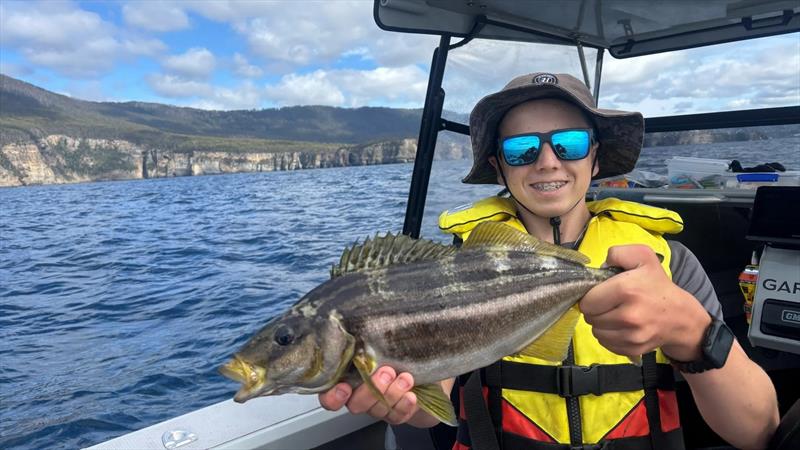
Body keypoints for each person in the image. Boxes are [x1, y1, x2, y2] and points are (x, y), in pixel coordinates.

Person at [319, 72, 779, 450]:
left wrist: (694, 334)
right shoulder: (460, 270)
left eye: (570, 144)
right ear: (499, 167)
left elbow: (758, 430)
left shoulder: (667, 264)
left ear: (595, 158)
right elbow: (428, 402)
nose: (546, 162)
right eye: (521, 150)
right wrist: (397, 396)